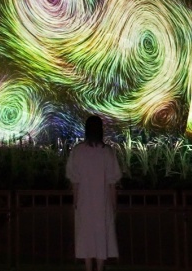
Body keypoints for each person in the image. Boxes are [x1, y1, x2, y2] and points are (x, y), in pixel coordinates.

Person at [65, 115, 122, 271]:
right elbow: (112, 182)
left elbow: (75, 181)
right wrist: (114, 204)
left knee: (86, 235)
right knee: (102, 234)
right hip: (103, 202)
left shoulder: (78, 151)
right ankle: (100, 266)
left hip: (84, 202)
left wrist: (75, 202)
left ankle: (88, 267)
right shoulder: (107, 152)